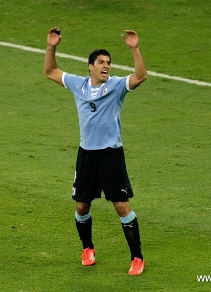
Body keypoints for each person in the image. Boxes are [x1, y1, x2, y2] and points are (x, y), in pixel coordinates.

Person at [44, 27, 147, 275]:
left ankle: (137, 258)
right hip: (87, 155)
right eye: (101, 62)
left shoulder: (117, 86)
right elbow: (49, 71)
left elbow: (141, 76)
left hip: (111, 155)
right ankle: (87, 248)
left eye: (108, 63)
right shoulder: (78, 84)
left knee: (121, 205)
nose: (106, 66)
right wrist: (51, 47)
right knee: (82, 207)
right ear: (90, 66)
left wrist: (135, 49)